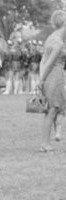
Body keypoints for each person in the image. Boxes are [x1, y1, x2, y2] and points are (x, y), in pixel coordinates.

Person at [37, 9, 66, 152]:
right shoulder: (59, 43)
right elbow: (49, 63)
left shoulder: (51, 38)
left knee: (49, 111)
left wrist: (41, 78)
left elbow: (43, 60)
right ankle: (45, 143)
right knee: (52, 110)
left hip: (49, 76)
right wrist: (41, 80)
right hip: (54, 77)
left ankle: (45, 142)